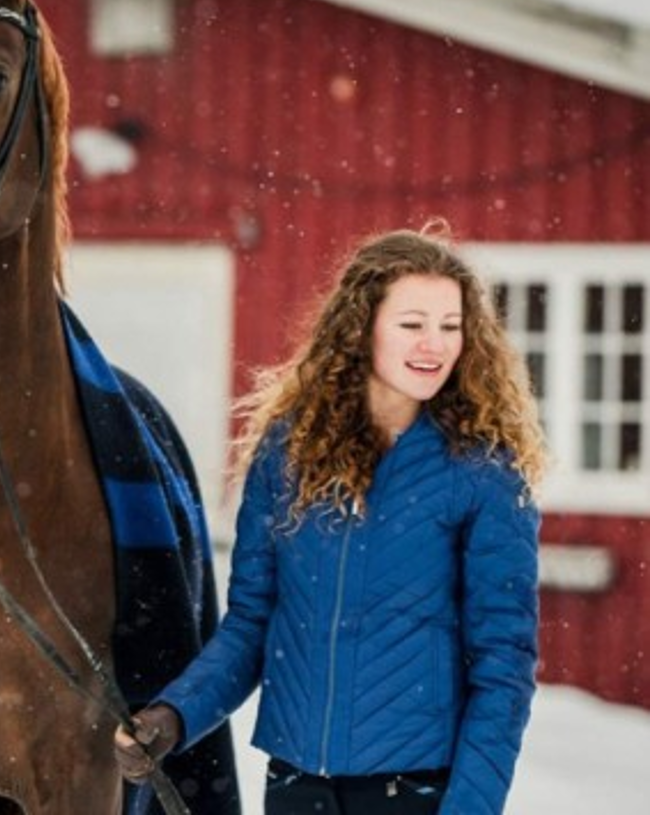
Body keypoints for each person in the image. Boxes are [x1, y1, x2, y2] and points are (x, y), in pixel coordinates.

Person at [114, 222, 546, 815]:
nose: (435, 345)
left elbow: (504, 671)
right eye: (412, 324)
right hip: (297, 789)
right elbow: (251, 627)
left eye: (451, 326)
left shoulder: (483, 474)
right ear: (362, 328)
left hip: (413, 794)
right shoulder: (290, 455)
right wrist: (174, 715)